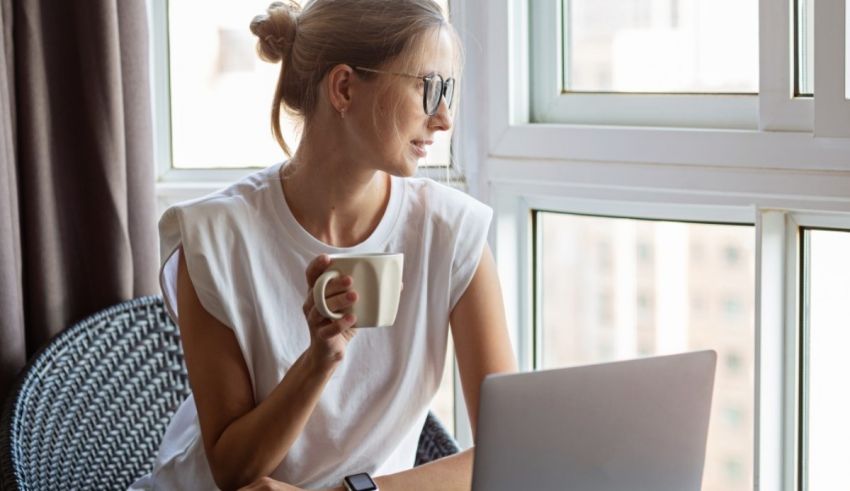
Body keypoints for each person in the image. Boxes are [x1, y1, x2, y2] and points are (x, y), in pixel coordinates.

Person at [129, 0, 516, 489]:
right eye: (429, 88)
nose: (443, 119)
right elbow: (233, 472)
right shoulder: (215, 238)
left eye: (450, 92)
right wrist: (319, 361)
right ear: (344, 87)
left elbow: (508, 455)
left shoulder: (453, 235)